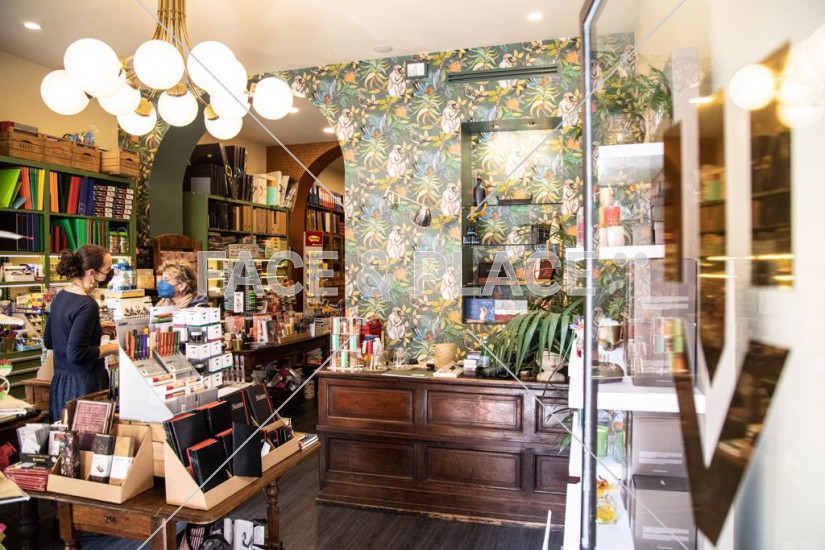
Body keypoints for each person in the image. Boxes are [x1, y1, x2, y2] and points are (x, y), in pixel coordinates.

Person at [43, 245, 119, 422]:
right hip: (85, 387)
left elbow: (50, 341)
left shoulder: (61, 296)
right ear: (92, 273)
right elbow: (77, 354)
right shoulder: (87, 304)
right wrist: (113, 348)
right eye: (107, 269)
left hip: (61, 383)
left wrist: (94, 328)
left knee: (64, 435)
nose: (109, 274)